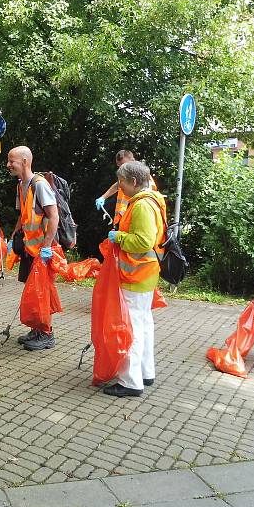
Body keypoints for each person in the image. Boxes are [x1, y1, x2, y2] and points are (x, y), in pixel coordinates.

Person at [104, 160, 166, 397]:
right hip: (146, 273)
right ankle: (145, 372)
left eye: (121, 181)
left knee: (132, 328)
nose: (119, 186)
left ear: (132, 181)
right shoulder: (153, 199)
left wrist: (118, 237)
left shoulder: (141, 206)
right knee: (143, 323)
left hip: (136, 273)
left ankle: (130, 381)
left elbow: (143, 241)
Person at [6, 146, 60, 351]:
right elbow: (23, 216)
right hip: (30, 250)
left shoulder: (40, 185)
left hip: (41, 251)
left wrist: (47, 247)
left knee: (42, 292)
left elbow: (53, 216)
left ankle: (47, 334)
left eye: (12, 161)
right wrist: (14, 236)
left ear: (25, 162)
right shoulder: (22, 185)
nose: (8, 165)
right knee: (33, 291)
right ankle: (37, 329)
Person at [95, 150, 158, 226]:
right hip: (122, 221)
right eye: (119, 166)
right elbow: (117, 185)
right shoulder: (127, 177)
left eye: (124, 165)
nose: (122, 168)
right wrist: (103, 197)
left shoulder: (143, 179)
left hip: (133, 221)